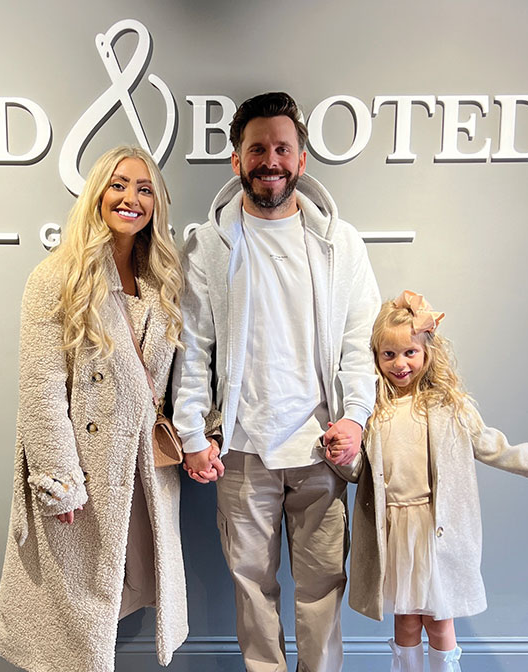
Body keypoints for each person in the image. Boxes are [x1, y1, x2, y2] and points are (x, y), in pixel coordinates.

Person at [171, 91, 381, 672]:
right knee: (253, 594)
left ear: (302, 159)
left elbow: (358, 344)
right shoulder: (207, 245)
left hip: (322, 450)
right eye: (257, 148)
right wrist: (191, 433)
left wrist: (356, 417)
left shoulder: (343, 244)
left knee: (321, 594)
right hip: (241, 451)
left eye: (282, 148)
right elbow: (193, 348)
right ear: (236, 160)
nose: (271, 161)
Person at [0, 146, 188, 672]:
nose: (131, 198)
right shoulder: (57, 276)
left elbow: (172, 381)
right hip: (83, 472)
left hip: (142, 471)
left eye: (145, 189)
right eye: (119, 185)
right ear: (97, 192)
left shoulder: (161, 281)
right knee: (71, 629)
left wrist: (199, 435)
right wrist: (59, 477)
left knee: (121, 597)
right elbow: (40, 386)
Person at [346, 291, 528, 672]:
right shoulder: (372, 412)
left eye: (409, 352)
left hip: (435, 530)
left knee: (439, 618)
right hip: (395, 532)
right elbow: (357, 472)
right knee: (406, 619)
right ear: (376, 357)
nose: (400, 364)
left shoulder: (450, 407)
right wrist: (340, 454)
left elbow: (501, 449)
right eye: (389, 354)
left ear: (428, 352)